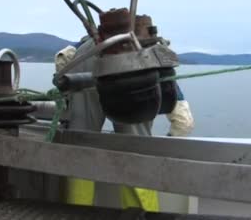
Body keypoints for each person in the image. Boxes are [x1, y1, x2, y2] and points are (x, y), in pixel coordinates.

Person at [54, 19, 194, 210]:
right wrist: (169, 139)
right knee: (137, 149)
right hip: (132, 67)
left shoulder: (84, 47)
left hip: (84, 60)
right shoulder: (151, 57)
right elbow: (183, 122)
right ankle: (142, 213)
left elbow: (65, 62)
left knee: (80, 144)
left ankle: (75, 213)